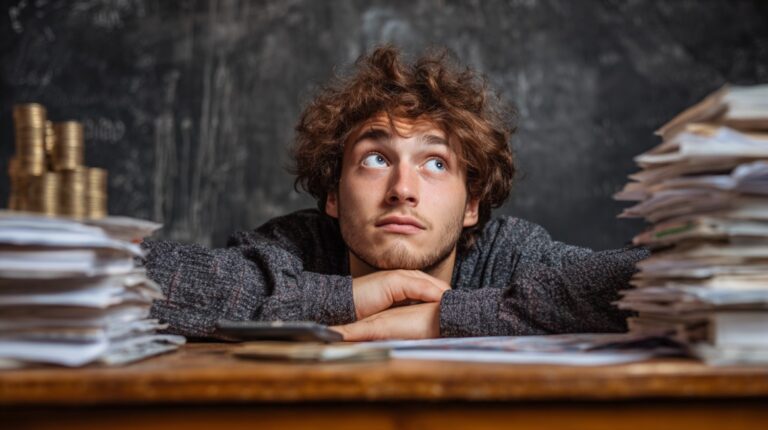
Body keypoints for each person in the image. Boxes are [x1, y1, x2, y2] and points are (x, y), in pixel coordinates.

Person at [141, 46, 647, 341]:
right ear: (334, 195)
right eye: (376, 159)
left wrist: (439, 316)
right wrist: (348, 298)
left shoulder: (507, 255)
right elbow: (132, 274)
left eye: (435, 163)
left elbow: (653, 275)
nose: (402, 190)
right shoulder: (298, 247)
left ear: (472, 205)